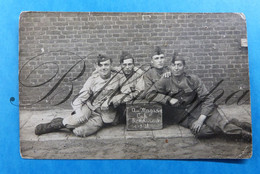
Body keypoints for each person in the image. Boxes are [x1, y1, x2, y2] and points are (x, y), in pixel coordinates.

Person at [145, 55, 252, 141]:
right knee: (202, 132)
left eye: (179, 65)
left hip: (200, 109)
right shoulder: (165, 80)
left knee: (219, 125)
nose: (176, 68)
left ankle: (243, 135)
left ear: (184, 67)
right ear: (170, 67)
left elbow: (208, 98)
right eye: (173, 65)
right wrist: (168, 99)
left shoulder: (193, 79)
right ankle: (234, 123)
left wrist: (201, 119)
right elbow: (149, 94)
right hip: (184, 116)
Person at [35, 54, 122, 137]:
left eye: (106, 65)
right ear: (97, 67)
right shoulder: (92, 80)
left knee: (79, 132)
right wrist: (79, 112)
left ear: (111, 65)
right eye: (101, 65)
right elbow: (80, 97)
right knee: (79, 118)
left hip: (103, 114)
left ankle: (68, 124)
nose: (104, 68)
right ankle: (55, 125)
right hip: (89, 107)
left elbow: (131, 69)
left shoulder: (118, 77)